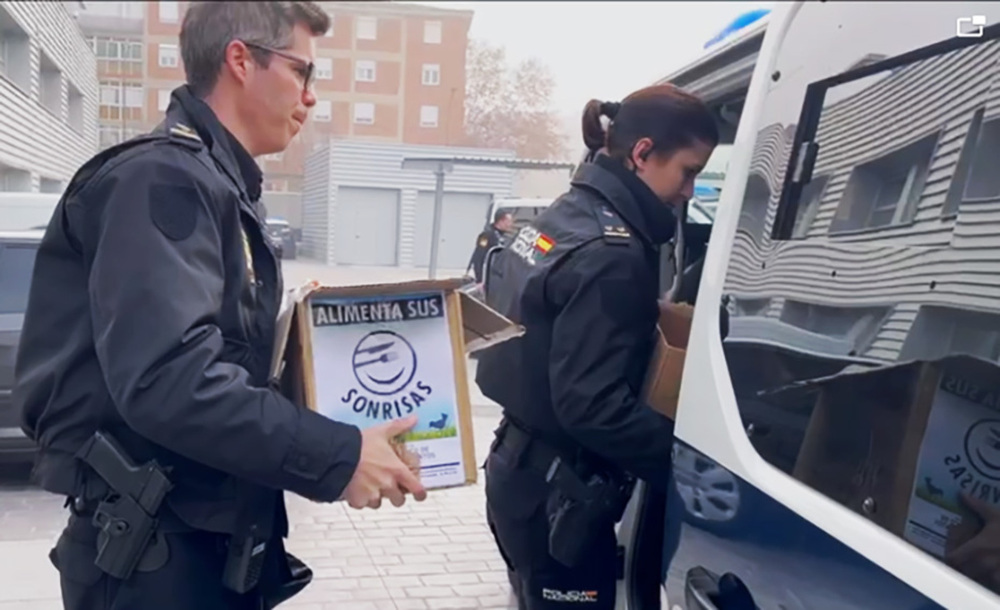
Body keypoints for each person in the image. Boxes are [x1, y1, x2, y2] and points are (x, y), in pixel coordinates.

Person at [13, 3, 425, 609]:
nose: (310, 97)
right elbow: (169, 380)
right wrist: (336, 456)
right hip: (157, 562)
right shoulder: (162, 181)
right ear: (240, 59)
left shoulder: (216, 185)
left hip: (203, 547)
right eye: (302, 72)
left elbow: (224, 366)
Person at [475, 84, 719, 609]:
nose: (690, 192)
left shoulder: (567, 214)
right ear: (642, 154)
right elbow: (591, 405)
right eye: (688, 172)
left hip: (518, 474)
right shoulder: (615, 255)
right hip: (560, 496)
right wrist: (692, 468)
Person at [468, 209, 514, 284]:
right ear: (501, 221)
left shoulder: (503, 236)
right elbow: (479, 257)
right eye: (508, 222)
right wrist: (480, 280)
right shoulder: (486, 236)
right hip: (486, 278)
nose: (510, 224)